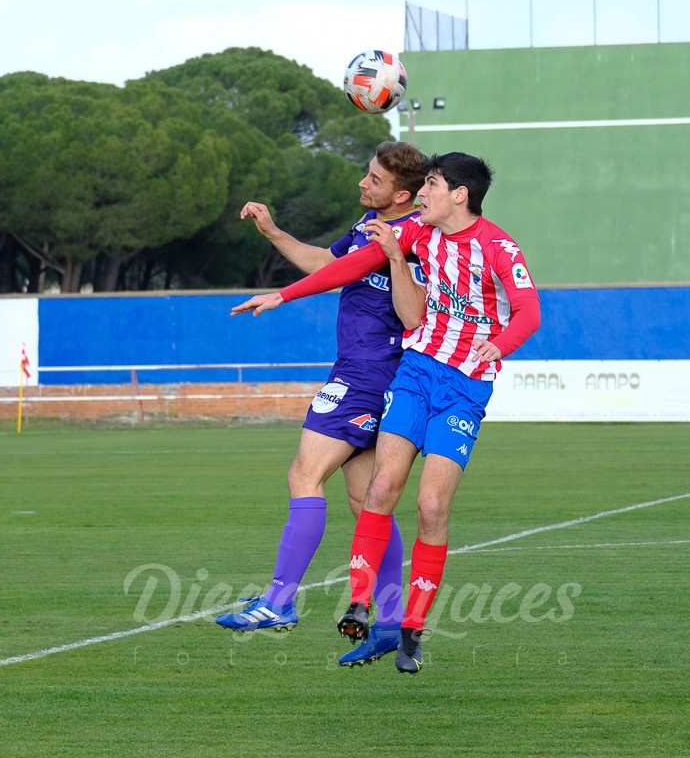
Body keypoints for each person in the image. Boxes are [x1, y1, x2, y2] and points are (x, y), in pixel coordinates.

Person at [232, 152, 542, 673]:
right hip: (412, 374)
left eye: (432, 185)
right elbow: (344, 266)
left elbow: (528, 308)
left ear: (457, 194)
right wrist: (284, 291)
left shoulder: (494, 246)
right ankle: (371, 611)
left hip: (429, 382)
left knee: (417, 505)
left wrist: (501, 345)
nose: (424, 193)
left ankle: (321, 609)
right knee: (372, 494)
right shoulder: (411, 232)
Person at [216, 142, 428, 669]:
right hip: (372, 374)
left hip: (368, 374)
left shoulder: (415, 235)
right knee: (367, 502)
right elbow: (328, 263)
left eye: (374, 180)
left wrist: (282, 296)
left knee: (304, 477)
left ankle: (279, 602)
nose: (363, 182)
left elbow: (396, 303)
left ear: (403, 194)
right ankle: (387, 620)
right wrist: (271, 230)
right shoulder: (371, 225)